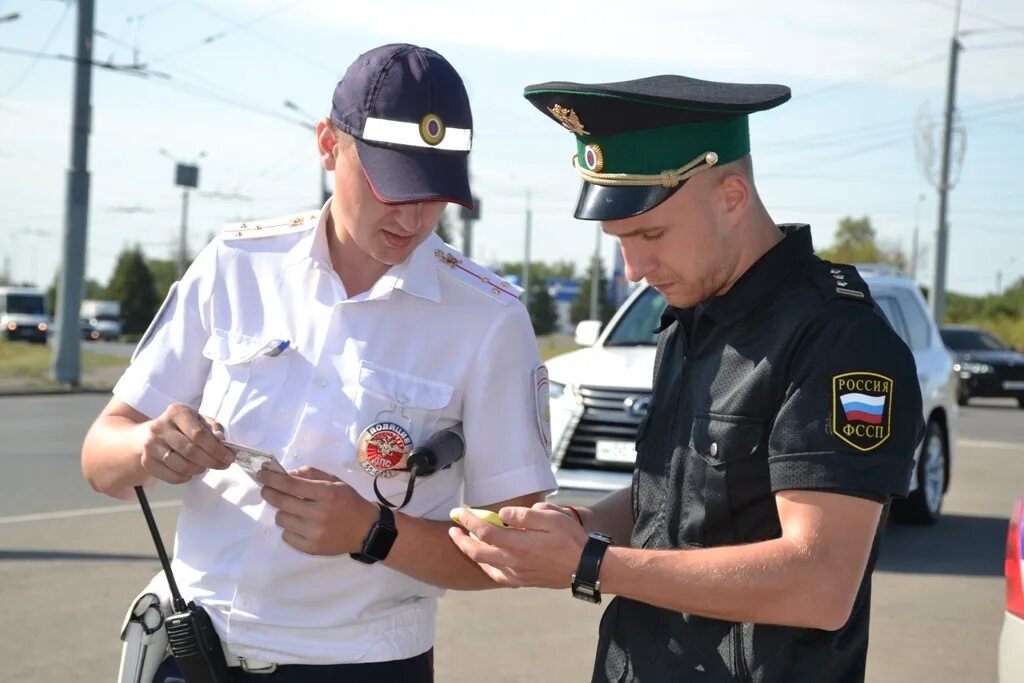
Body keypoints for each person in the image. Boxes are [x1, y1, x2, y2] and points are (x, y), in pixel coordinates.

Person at [82, 43, 556, 682]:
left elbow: (517, 552)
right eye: (391, 184)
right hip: (194, 652)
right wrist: (149, 447)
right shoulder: (236, 264)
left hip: (356, 666)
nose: (412, 216)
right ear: (329, 146)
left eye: (433, 191)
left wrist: (373, 531)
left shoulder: (489, 319)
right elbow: (101, 456)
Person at [450, 75, 925, 682]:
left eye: (651, 235)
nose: (634, 269)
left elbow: (820, 582)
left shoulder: (837, 341)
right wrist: (576, 528)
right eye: (618, 240)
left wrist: (593, 564)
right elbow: (676, 500)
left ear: (732, 196)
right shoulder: (691, 320)